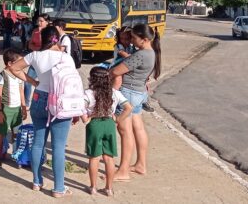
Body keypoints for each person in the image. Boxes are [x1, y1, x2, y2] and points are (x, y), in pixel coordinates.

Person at [10, 26, 79, 197]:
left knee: (38, 142)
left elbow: (13, 68)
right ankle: (58, 188)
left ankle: (36, 181)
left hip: (39, 97)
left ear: (43, 38)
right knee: (58, 146)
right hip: (60, 101)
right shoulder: (66, 58)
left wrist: (34, 83)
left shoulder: (35, 55)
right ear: (57, 39)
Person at [110, 23, 161, 182]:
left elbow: (116, 71)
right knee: (138, 128)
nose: (131, 40)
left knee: (125, 132)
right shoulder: (150, 53)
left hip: (128, 93)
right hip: (139, 93)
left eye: (134, 37)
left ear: (144, 39)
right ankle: (140, 164)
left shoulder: (140, 55)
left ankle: (123, 170)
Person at [82, 67, 133, 197]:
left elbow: (81, 111)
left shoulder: (88, 93)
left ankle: (93, 187)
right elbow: (128, 107)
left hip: (94, 125)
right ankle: (109, 188)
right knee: (108, 158)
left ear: (92, 79)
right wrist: (118, 120)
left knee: (94, 157)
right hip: (109, 124)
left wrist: (88, 117)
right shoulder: (114, 92)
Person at [0, 49, 27, 168]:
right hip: (6, 110)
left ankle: (17, 156)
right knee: (1, 133)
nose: (22, 65)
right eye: (19, 62)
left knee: (17, 133)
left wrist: (23, 107)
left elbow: (21, 91)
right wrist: (0, 111)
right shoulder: (1, 76)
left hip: (17, 110)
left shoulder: (19, 76)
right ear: (10, 64)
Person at [24, 14, 50, 106]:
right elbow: (30, 44)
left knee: (46, 83)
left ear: (47, 22)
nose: (39, 23)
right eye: (38, 21)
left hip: (46, 62)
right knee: (27, 81)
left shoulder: (49, 32)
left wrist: (41, 34)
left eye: (41, 21)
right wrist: (36, 48)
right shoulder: (35, 31)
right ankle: (26, 103)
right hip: (35, 60)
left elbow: (49, 46)